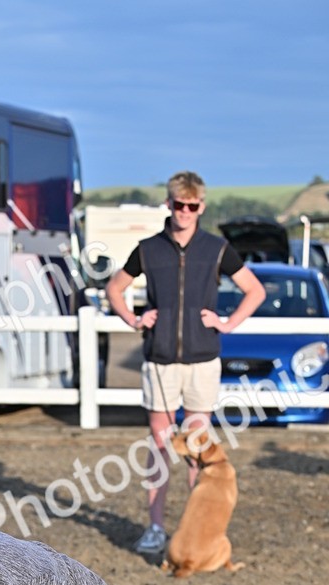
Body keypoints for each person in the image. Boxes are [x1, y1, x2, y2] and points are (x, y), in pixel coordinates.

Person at [105, 171, 265, 556]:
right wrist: (134, 318)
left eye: (193, 206)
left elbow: (254, 290)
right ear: (169, 204)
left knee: (198, 448)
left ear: (201, 207)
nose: (186, 212)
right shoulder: (148, 249)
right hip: (160, 361)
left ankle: (192, 528)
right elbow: (115, 288)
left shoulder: (217, 248)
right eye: (179, 205)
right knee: (160, 447)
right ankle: (156, 528)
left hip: (203, 359)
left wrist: (226, 323)